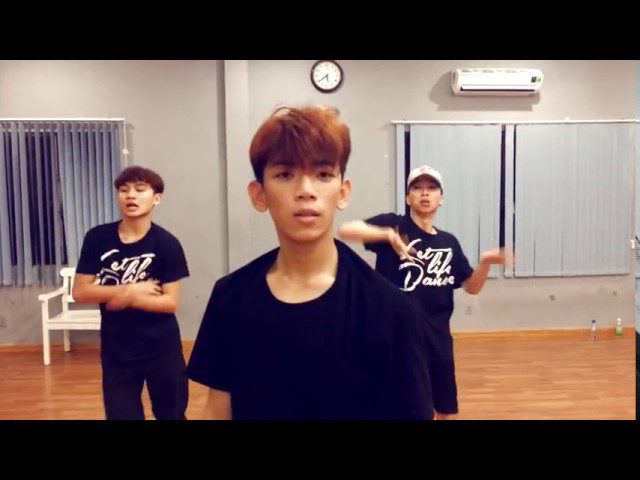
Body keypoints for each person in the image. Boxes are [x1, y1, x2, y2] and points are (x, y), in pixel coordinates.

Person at [186, 106, 434, 419]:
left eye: (323, 174)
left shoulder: (391, 311)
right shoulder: (230, 297)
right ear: (259, 194)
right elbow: (218, 410)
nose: (306, 191)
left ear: (342, 192)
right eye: (285, 174)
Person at [339, 164, 509, 419]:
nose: (425, 193)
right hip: (397, 339)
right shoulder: (395, 225)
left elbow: (471, 287)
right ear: (408, 198)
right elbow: (347, 230)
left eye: (431, 188)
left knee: (444, 409)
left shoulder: (449, 242)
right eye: (417, 188)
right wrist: (388, 236)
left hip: (438, 339)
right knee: (402, 409)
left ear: (441, 198)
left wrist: (485, 263)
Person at [73, 166, 190, 420]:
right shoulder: (98, 238)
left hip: (162, 347)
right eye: (124, 190)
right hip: (117, 347)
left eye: (140, 189)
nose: (130, 195)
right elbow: (80, 292)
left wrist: (128, 299)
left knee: (171, 414)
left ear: (156, 198)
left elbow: (170, 302)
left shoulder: (167, 244)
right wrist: (130, 290)